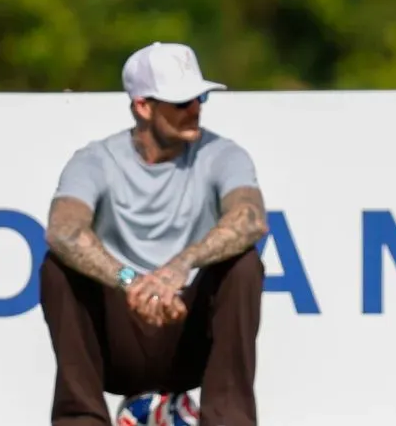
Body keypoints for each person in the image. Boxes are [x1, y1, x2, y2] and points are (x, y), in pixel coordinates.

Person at [39, 41, 269, 426]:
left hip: (189, 333)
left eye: (199, 98)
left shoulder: (223, 154)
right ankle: (81, 419)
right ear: (143, 106)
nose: (195, 108)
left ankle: (228, 420)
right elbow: (63, 229)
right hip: (119, 338)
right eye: (181, 102)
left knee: (244, 264)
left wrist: (179, 267)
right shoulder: (96, 160)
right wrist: (130, 282)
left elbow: (250, 218)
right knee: (58, 268)